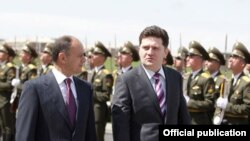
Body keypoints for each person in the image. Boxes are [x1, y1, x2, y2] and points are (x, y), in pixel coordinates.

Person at [112, 25, 190, 141]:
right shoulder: (126, 80)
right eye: (145, 47)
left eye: (155, 48)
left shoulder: (175, 77)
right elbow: (120, 125)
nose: (149, 52)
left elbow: (183, 117)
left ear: (165, 52)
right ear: (139, 50)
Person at [15, 35, 97, 141]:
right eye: (80, 56)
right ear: (63, 58)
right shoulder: (34, 89)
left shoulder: (86, 89)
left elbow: (90, 134)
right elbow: (24, 136)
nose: (84, 60)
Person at [216, 41, 250, 125]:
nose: (230, 59)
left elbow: (247, 108)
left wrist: (227, 106)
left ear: (242, 64)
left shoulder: (246, 83)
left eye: (235, 57)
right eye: (230, 56)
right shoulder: (226, 80)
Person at [185, 41, 216, 125]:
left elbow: (210, 103)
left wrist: (189, 102)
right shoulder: (186, 77)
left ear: (200, 58)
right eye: (187, 56)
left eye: (191, 56)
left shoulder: (206, 79)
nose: (187, 58)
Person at [90, 41, 113, 141]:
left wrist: (92, 94)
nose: (92, 56)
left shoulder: (106, 74)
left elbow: (106, 95)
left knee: (97, 138)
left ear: (102, 57)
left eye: (95, 54)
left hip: (98, 113)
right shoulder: (92, 73)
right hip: (90, 111)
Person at [0, 44, 16, 141]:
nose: (0, 54)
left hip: (5, 101)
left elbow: (10, 85)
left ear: (7, 55)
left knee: (7, 126)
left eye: (2, 52)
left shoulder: (9, 68)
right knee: (1, 126)